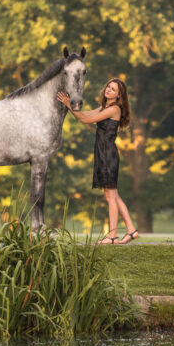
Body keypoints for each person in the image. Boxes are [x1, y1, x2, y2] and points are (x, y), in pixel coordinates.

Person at [57, 79, 139, 244]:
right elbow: (86, 115)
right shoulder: (104, 108)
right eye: (108, 86)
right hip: (103, 154)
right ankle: (131, 230)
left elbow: (86, 121)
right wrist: (72, 105)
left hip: (108, 155)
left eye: (113, 89)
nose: (108, 89)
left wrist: (68, 105)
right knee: (114, 195)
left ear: (118, 96)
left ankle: (112, 236)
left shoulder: (114, 109)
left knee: (110, 197)